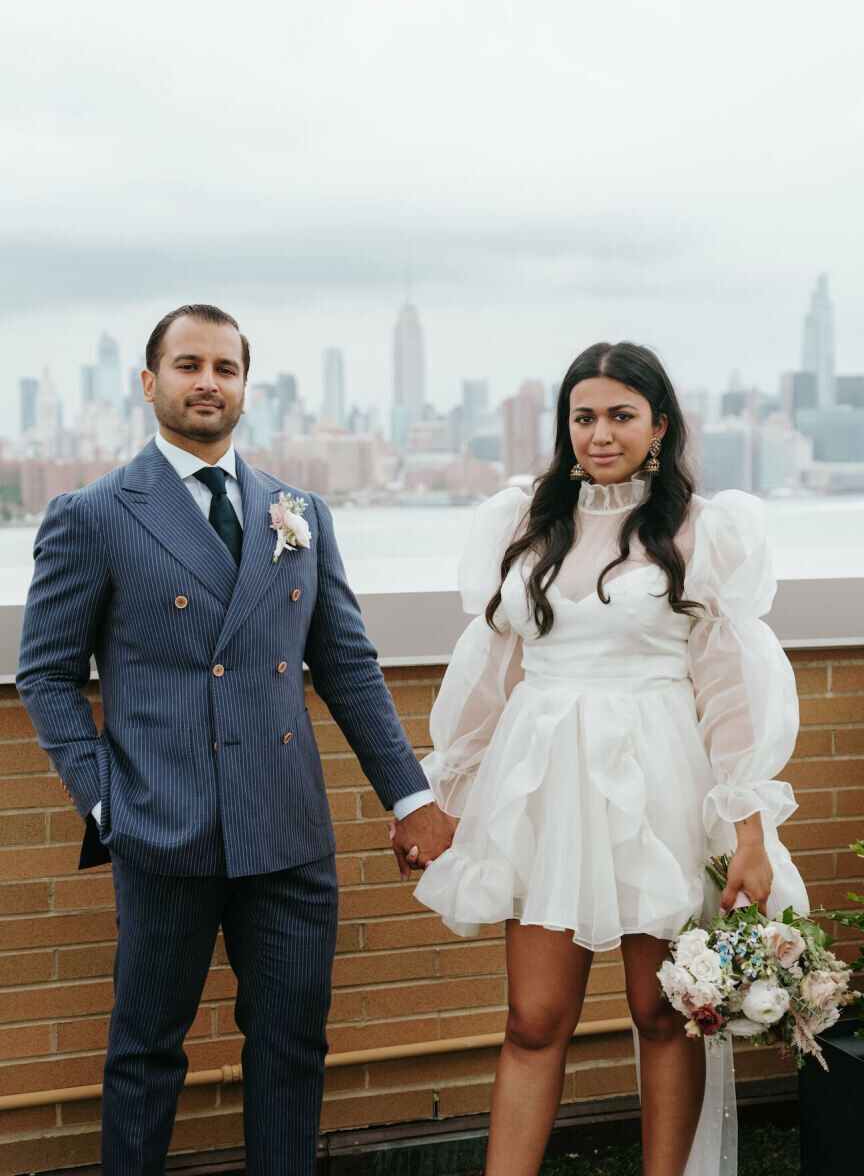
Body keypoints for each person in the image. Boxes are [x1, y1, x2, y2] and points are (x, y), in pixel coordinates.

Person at [16, 304, 454, 1176]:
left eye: (225, 367)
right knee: (146, 1054)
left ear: (246, 387)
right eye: (188, 365)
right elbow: (47, 675)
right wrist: (107, 802)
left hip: (287, 833)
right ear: (151, 384)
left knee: (292, 1049)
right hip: (161, 829)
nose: (207, 381)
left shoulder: (299, 513)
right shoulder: (92, 514)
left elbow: (349, 666)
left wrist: (413, 796)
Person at [413, 341, 808, 1176]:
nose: (600, 434)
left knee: (660, 1012)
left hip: (657, 785)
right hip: (545, 791)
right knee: (533, 1018)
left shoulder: (702, 531)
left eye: (621, 416)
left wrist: (748, 833)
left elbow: (733, 690)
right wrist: (445, 791)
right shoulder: (523, 524)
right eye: (583, 416)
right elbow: (492, 668)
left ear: (658, 426)